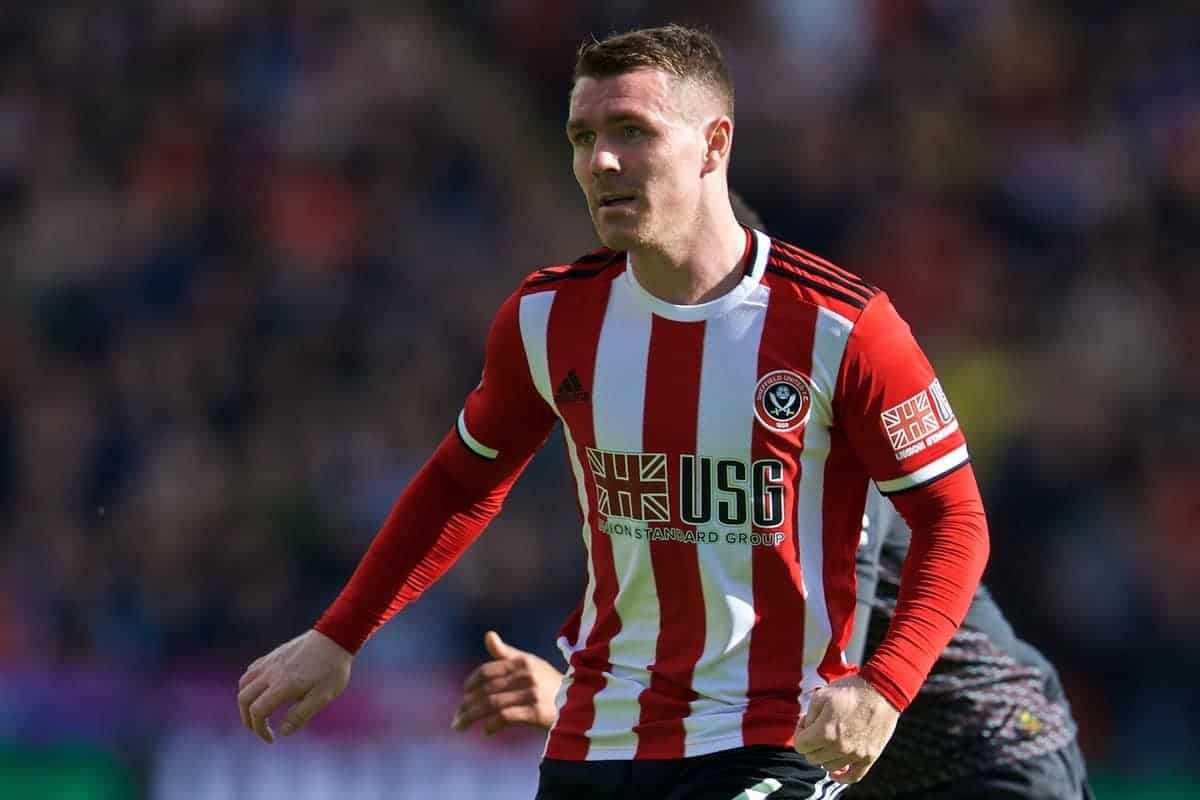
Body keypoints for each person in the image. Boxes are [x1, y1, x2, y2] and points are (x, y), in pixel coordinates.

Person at [236, 24, 990, 799]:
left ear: (713, 144)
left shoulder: (843, 327)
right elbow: (461, 483)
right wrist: (338, 636)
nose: (600, 160)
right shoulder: (549, 318)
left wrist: (884, 688)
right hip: (596, 737)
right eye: (582, 135)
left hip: (768, 741)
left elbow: (955, 519)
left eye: (631, 131)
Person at [455, 484, 1093, 799]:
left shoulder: (821, 464)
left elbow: (814, 675)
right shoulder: (698, 476)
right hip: (876, 779)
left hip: (997, 754)